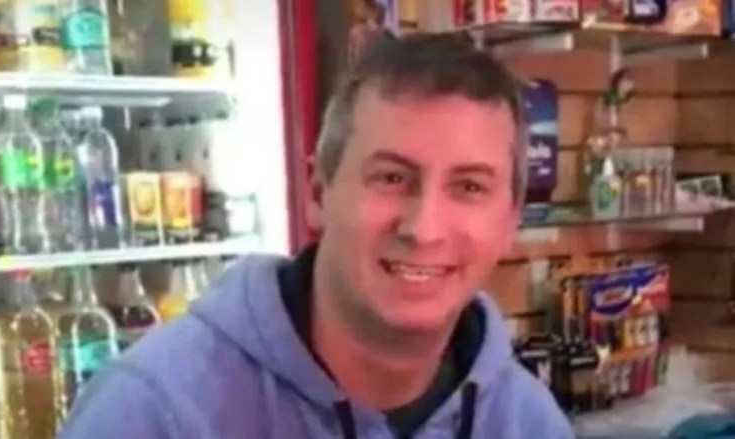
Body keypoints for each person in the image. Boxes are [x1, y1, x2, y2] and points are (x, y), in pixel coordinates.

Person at [59, 33, 575, 439]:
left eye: (469, 187)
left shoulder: (529, 423)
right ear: (317, 192)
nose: (424, 228)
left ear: (510, 222)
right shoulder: (151, 411)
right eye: (392, 178)